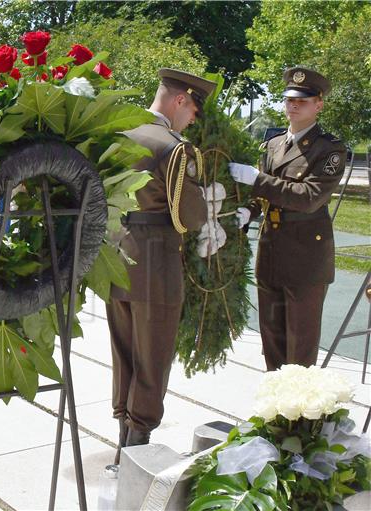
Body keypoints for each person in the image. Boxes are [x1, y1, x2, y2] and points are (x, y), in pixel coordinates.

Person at [105, 69, 214, 460]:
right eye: (194, 110)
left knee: (125, 353)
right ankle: (136, 449)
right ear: (181, 100)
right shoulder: (173, 147)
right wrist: (205, 197)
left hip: (116, 256)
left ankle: (123, 438)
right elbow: (189, 216)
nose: (193, 119)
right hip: (155, 260)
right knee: (152, 359)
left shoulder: (119, 134)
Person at [229, 67, 346, 371]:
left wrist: (256, 181)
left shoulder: (329, 149)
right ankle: (275, 412)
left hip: (305, 256)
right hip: (271, 252)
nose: (294, 105)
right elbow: (264, 193)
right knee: (272, 338)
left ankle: (299, 416)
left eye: (303, 101)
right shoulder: (273, 145)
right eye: (290, 100)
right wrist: (249, 211)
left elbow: (308, 198)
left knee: (300, 345)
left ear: (318, 104)